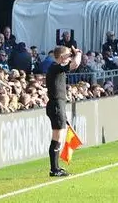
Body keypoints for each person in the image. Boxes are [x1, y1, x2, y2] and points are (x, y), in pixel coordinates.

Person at [45, 45, 81, 177]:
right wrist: (78, 54)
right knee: (57, 137)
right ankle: (54, 169)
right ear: (62, 57)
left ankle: (56, 168)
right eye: (68, 55)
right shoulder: (55, 67)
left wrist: (72, 54)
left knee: (59, 136)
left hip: (58, 104)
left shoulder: (56, 68)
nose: (70, 57)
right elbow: (75, 64)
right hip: (56, 105)